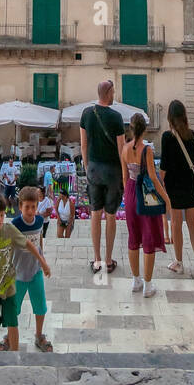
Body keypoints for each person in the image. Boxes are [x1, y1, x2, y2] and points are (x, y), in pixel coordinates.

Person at [0, 192, 50, 353]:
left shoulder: (9, 229)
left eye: (2, 215)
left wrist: (42, 261)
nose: (0, 220)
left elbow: (28, 244)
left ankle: (15, 356)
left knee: (13, 322)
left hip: (9, 288)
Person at [79, 80, 125, 273]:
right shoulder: (116, 117)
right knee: (111, 215)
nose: (114, 95)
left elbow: (83, 145)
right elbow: (122, 149)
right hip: (113, 171)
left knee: (95, 214)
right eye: (113, 91)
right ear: (107, 92)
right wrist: (124, 176)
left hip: (94, 170)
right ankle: (108, 260)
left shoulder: (87, 114)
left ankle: (96, 259)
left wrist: (89, 166)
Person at [121, 112, 169, 297]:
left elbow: (125, 177)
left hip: (131, 193)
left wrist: (128, 196)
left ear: (131, 128)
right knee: (149, 237)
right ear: (145, 129)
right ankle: (148, 286)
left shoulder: (124, 149)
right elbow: (153, 178)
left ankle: (136, 281)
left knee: (133, 237)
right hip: (145, 195)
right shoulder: (146, 150)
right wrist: (166, 198)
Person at [160, 100, 194, 280]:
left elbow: (163, 167)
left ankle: (178, 262)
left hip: (174, 186)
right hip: (191, 186)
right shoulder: (191, 135)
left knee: (176, 224)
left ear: (170, 117)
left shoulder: (167, 137)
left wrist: (160, 184)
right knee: (192, 224)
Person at [5, 187, 54, 352]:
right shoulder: (15, 225)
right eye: (27, 207)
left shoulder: (40, 221)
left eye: (34, 206)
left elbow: (39, 241)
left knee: (40, 306)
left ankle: (39, 335)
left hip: (35, 272)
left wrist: (43, 260)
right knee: (13, 309)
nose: (31, 211)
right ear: (20, 206)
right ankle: (8, 336)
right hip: (17, 274)